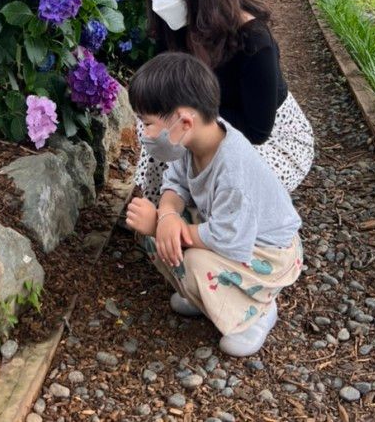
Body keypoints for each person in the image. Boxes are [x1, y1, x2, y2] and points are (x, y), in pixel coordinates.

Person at [126, 52, 304, 357]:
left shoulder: (233, 167)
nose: (145, 134)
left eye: (149, 124)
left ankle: (254, 313)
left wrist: (158, 224)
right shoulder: (195, 139)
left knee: (192, 261)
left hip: (270, 252)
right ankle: (209, 297)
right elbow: (176, 181)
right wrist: (167, 214)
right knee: (163, 241)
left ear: (183, 121)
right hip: (235, 231)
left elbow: (229, 238)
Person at [134, 0, 314, 205]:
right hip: (200, 121)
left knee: (224, 178)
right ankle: (158, 205)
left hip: (269, 140)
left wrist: (189, 118)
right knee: (156, 126)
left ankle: (221, 232)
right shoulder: (173, 23)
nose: (157, 0)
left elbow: (258, 131)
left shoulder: (254, 41)